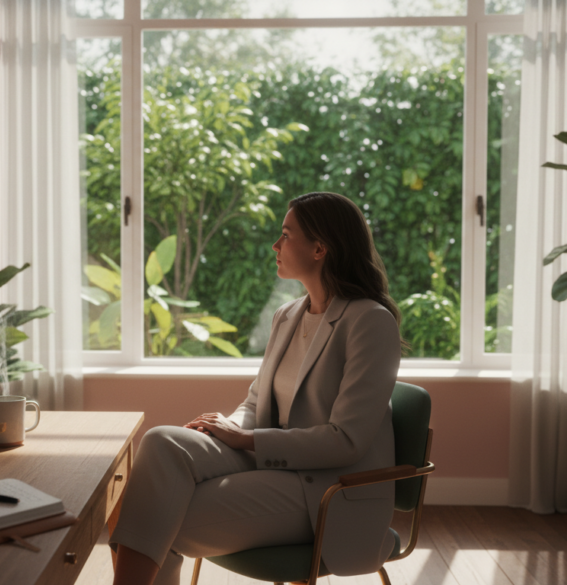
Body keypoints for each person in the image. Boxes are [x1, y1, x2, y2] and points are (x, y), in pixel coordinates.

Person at [109, 192, 404, 585]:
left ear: (319, 248)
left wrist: (246, 439)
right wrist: (227, 429)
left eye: (285, 235)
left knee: (153, 517)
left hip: (326, 490)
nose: (275, 245)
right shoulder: (287, 315)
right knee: (163, 440)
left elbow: (346, 440)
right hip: (273, 459)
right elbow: (256, 401)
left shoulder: (370, 321)